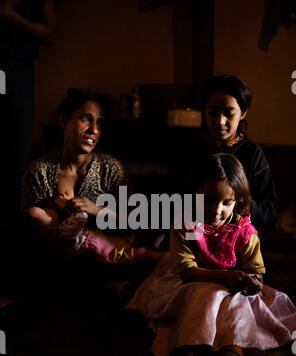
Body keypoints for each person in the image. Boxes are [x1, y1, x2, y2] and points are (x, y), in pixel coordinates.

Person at [127, 153, 296, 356]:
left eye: (226, 203)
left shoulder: (245, 232)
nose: (216, 211)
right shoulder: (185, 225)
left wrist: (251, 281)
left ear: (237, 200)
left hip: (229, 287)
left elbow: (254, 271)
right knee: (201, 294)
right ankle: (184, 355)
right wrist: (225, 277)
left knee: (238, 303)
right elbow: (187, 271)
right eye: (207, 201)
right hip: (185, 282)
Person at [21, 88, 164, 264]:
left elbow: (133, 221)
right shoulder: (39, 173)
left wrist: (96, 210)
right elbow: (29, 232)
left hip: (107, 258)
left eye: (100, 123)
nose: (94, 130)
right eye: (86, 118)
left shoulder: (110, 169)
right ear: (63, 120)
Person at [174, 74, 279, 230]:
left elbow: (269, 211)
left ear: (243, 113)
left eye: (229, 114)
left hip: (236, 237)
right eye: (212, 113)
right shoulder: (190, 148)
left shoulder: (252, 153)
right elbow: (173, 197)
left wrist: (235, 205)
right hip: (192, 234)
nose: (220, 121)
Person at [0, 0, 56, 219]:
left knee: (17, 154)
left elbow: (50, 34)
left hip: (19, 71)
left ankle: (11, 227)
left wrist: (10, 16)